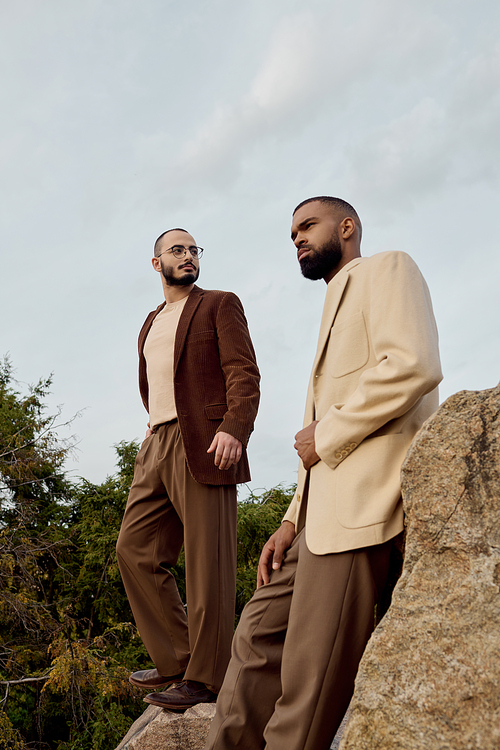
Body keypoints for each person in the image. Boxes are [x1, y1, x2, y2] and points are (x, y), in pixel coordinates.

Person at [205, 197, 442, 750]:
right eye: (292, 235)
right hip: (316, 522)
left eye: (307, 227)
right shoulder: (331, 305)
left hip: (364, 513)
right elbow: (316, 445)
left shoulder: (390, 268)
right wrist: (290, 521)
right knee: (256, 638)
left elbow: (414, 363)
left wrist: (326, 433)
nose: (298, 240)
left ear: (348, 227)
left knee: (307, 688)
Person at [116, 227, 260, 710]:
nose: (188, 255)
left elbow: (244, 371)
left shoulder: (220, 303)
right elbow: (156, 383)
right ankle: (177, 659)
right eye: (177, 249)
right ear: (156, 263)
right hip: (157, 441)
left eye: (193, 249)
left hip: (206, 440)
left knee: (207, 562)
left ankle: (208, 677)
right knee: (134, 550)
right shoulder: (150, 322)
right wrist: (153, 430)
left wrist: (235, 430)